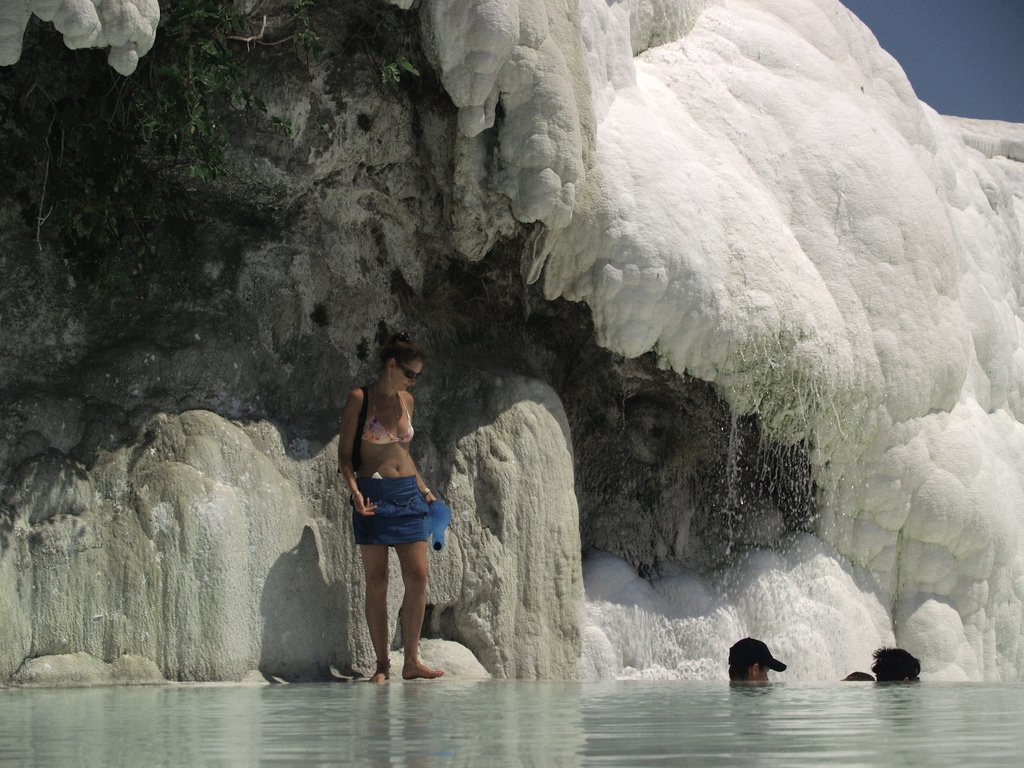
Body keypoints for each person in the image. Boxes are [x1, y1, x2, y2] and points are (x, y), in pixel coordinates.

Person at [338, 332, 444, 683]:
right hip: (371, 495)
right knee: (377, 580)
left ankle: (412, 660)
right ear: (391, 365)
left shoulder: (407, 402)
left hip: (409, 495)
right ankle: (382, 665)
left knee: (418, 577)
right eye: (410, 373)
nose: (413, 381)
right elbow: (344, 455)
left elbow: (404, 455)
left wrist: (425, 491)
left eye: (417, 376)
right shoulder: (360, 398)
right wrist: (354, 493)